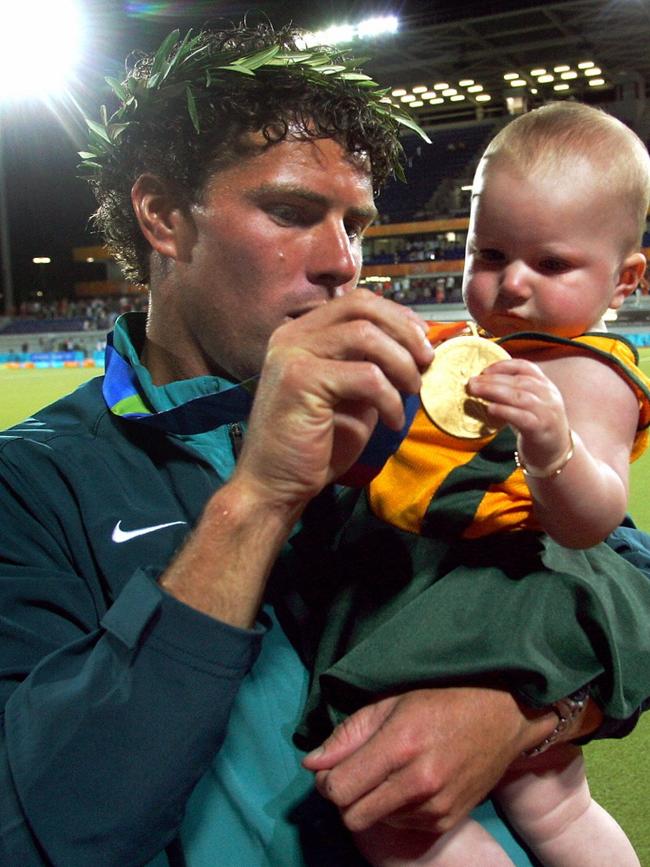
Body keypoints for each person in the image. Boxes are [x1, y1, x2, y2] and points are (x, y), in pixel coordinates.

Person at [0, 23, 644, 865]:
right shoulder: (31, 481)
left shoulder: (405, 403)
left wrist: (520, 709)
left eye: (357, 225)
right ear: (162, 215)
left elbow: (625, 569)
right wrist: (260, 495)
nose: (344, 262)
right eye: (293, 212)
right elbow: (43, 825)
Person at [294, 102, 650, 866]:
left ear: (625, 279)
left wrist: (550, 444)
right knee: (515, 802)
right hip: (414, 575)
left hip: (503, 588)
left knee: (533, 805)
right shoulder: (458, 348)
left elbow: (595, 519)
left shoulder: (588, 371)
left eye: (550, 264)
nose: (511, 283)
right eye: (488, 253)